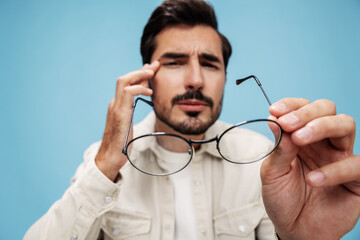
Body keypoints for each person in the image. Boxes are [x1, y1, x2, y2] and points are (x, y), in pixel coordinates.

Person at [25, 0, 360, 239]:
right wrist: (105, 165)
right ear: (146, 79)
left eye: (210, 64)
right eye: (174, 62)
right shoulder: (104, 166)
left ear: (225, 77)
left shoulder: (266, 162)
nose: (196, 80)